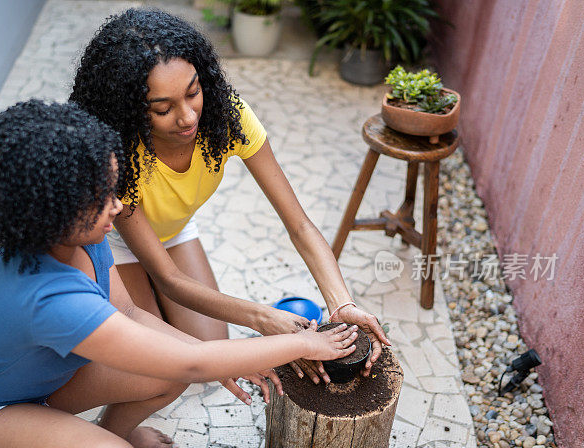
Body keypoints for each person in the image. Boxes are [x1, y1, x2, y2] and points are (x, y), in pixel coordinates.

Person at [0, 100, 360, 448]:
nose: (119, 205)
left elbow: (127, 311)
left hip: (29, 384)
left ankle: (106, 435)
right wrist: (304, 343)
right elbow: (193, 363)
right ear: (51, 211)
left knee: (164, 373)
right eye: (102, 197)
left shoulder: (74, 237)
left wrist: (216, 354)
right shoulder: (50, 298)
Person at [69, 8, 391, 403]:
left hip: (173, 228)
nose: (188, 117)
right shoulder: (118, 153)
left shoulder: (227, 116)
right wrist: (262, 317)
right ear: (130, 109)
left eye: (192, 92)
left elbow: (301, 226)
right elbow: (169, 276)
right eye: (163, 108)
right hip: (113, 242)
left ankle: (159, 311)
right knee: (161, 365)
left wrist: (341, 303)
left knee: (211, 345)